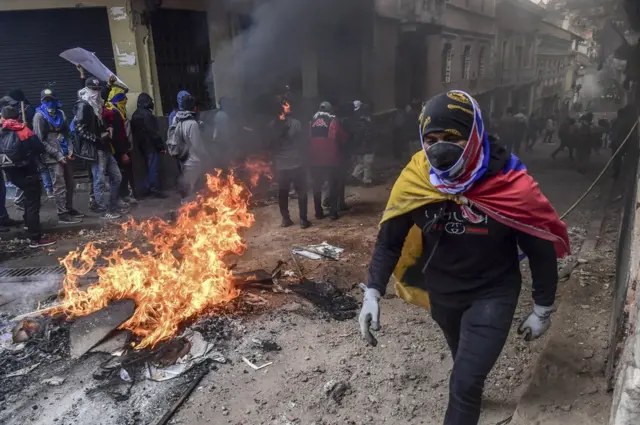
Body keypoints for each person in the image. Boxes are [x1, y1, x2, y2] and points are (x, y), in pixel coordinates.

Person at [358, 90, 569, 425]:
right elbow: (389, 242)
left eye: (452, 137)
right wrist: (372, 291)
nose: (439, 147)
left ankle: (468, 392)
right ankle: (470, 389)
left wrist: (542, 308)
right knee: (463, 363)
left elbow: (539, 247)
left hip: (493, 293)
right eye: (431, 138)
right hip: (443, 294)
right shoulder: (416, 180)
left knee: (464, 382)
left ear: (474, 135)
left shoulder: (510, 183)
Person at [0, 106, 55, 248]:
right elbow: (40, 148)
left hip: (11, 175)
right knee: (33, 203)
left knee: (27, 198)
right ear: (18, 117)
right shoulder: (24, 131)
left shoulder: (1, 131)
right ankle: (35, 238)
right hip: (28, 171)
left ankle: (28, 224)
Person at [73, 76, 122, 219]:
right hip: (96, 148)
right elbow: (80, 130)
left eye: (98, 89)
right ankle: (102, 208)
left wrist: (108, 85)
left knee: (116, 176)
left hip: (104, 146)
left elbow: (103, 97)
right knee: (99, 178)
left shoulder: (96, 103)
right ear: (87, 90)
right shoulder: (84, 106)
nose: (96, 92)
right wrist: (98, 138)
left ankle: (113, 205)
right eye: (93, 89)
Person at [33, 88, 84, 225]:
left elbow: (67, 133)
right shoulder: (39, 117)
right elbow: (40, 140)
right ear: (42, 101)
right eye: (46, 100)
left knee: (70, 184)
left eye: (51, 100)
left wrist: (71, 150)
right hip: (52, 157)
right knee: (59, 185)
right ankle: (62, 214)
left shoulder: (60, 113)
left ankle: (69, 208)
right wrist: (57, 155)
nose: (49, 103)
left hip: (66, 152)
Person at [269, 99, 310, 229]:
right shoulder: (296, 124)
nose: (289, 107)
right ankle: (303, 220)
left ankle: (286, 219)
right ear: (283, 109)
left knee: (283, 192)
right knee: (301, 191)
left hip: (281, 165)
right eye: (287, 106)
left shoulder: (271, 125)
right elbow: (303, 141)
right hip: (296, 163)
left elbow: (270, 145)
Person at [309, 101, 347, 220]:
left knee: (317, 186)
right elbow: (342, 138)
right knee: (333, 185)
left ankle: (318, 212)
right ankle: (333, 212)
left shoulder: (311, 122)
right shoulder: (333, 121)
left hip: (314, 159)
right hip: (331, 158)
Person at [169, 91, 210, 201]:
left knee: (187, 188)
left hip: (183, 158)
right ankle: (189, 212)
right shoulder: (192, 124)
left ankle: (187, 209)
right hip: (194, 162)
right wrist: (207, 157)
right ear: (195, 108)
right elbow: (197, 146)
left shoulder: (176, 118)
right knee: (193, 191)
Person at [104, 85, 137, 205]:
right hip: (117, 151)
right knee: (119, 174)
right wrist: (123, 153)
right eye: (123, 98)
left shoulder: (118, 111)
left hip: (122, 149)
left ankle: (124, 195)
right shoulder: (113, 113)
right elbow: (118, 136)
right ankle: (120, 198)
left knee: (124, 173)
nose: (125, 100)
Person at [131, 93, 167, 198]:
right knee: (153, 168)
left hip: (141, 146)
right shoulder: (147, 115)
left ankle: (147, 187)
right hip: (150, 145)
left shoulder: (135, 114)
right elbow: (153, 133)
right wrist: (161, 146)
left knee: (149, 167)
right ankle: (154, 190)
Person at [351, 100, 374, 185]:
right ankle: (366, 181)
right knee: (368, 165)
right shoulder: (367, 122)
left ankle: (355, 174)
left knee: (361, 163)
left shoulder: (358, 121)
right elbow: (369, 135)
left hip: (360, 147)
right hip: (367, 147)